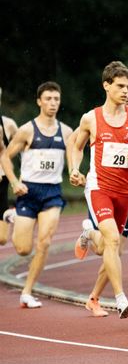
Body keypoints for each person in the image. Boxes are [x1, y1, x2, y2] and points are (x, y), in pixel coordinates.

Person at [69, 61, 128, 319]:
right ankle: (120, 299)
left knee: (108, 248)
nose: (126, 91)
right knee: (113, 242)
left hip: (125, 192)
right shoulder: (90, 118)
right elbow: (76, 145)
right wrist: (74, 168)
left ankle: (88, 235)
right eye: (120, 86)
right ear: (107, 86)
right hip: (98, 188)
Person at [0, 82, 72, 308]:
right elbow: (4, 157)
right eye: (48, 99)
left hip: (52, 193)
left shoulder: (67, 132)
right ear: (39, 101)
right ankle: (11, 216)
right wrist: (14, 181)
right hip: (28, 191)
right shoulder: (26, 130)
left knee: (45, 241)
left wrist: (77, 173)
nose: (52, 103)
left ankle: (27, 291)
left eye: (56, 99)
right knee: (23, 249)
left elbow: (74, 160)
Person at [0, 87, 18, 244]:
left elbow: (23, 148)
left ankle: (12, 213)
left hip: (1, 178)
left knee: (2, 239)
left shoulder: (8, 124)